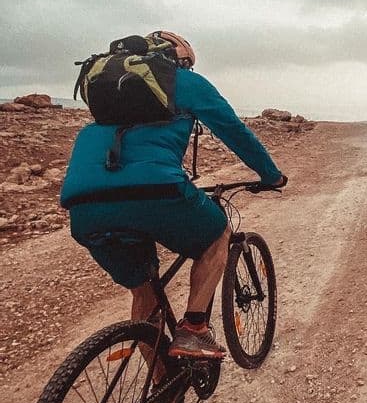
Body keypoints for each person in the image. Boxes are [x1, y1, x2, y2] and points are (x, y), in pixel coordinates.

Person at [60, 31, 286, 360]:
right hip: (156, 191)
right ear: (179, 58)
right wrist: (271, 175)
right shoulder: (182, 82)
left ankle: (162, 392)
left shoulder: (110, 95)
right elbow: (234, 131)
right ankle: (194, 329)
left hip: (85, 205)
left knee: (144, 293)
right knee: (218, 233)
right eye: (188, 65)